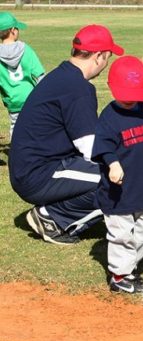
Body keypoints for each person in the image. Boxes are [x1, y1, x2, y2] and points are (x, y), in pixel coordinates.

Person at [9, 24, 123, 245]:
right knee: (118, 179)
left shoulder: (61, 75)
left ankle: (54, 211)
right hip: (38, 174)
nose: (106, 63)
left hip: (32, 169)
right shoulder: (77, 87)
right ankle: (53, 218)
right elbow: (90, 147)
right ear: (99, 56)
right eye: (108, 57)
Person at [91, 56, 143, 293]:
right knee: (121, 233)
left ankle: (130, 267)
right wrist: (113, 164)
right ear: (113, 88)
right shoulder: (109, 117)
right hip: (118, 190)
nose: (131, 98)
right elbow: (103, 146)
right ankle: (120, 275)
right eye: (125, 92)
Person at [0, 12, 45, 137]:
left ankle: (16, 153)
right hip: (30, 98)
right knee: (34, 126)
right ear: (13, 30)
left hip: (13, 101)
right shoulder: (26, 49)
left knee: (15, 127)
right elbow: (40, 75)